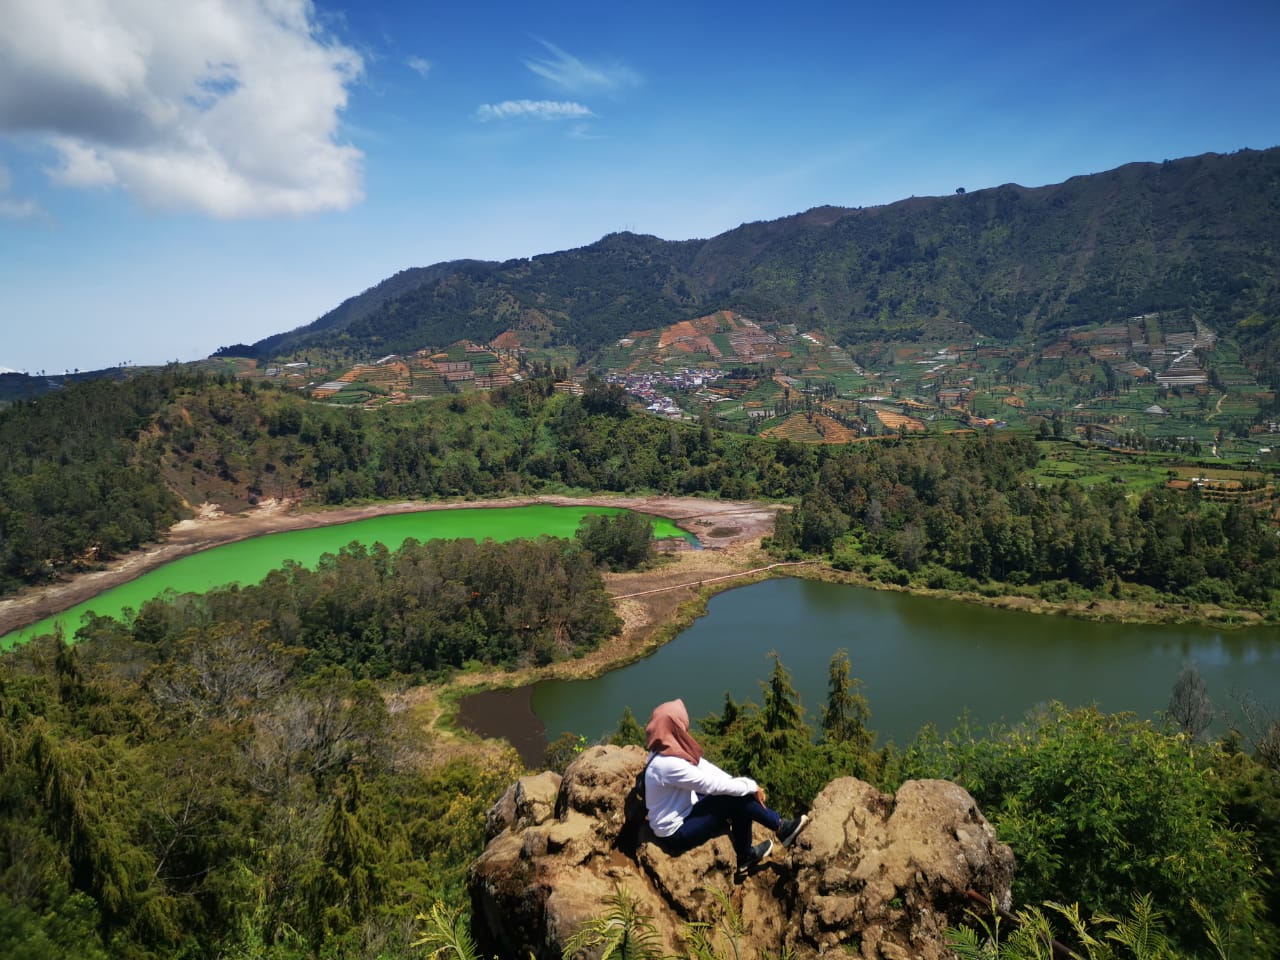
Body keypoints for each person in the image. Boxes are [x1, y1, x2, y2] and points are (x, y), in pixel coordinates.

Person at [643, 698, 807, 880]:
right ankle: (780, 828)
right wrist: (749, 786)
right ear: (675, 727)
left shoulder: (663, 749)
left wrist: (743, 784)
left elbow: (702, 767)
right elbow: (709, 785)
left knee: (736, 794)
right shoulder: (667, 764)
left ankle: (747, 854)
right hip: (677, 832)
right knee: (735, 798)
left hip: (683, 811)